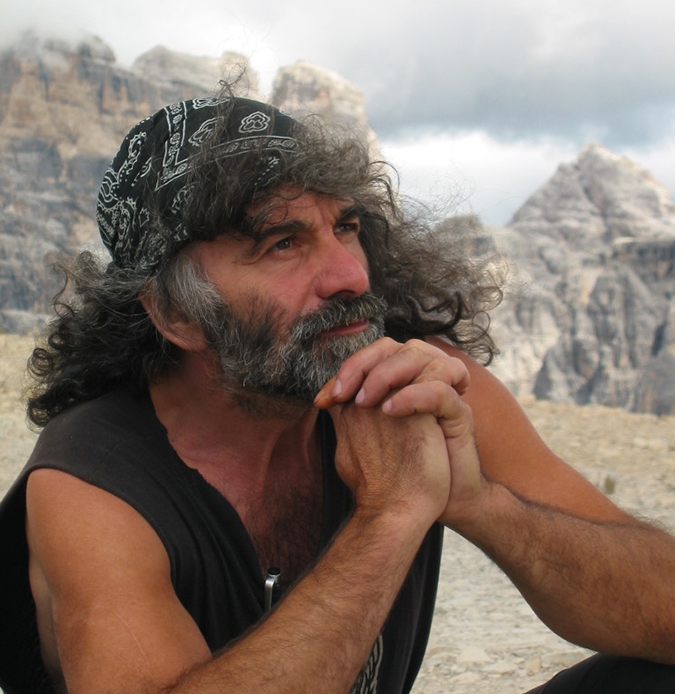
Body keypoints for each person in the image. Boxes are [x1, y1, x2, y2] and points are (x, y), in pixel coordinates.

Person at [0, 93, 674, 694]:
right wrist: (386, 519)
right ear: (175, 314)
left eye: (345, 227)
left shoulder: (416, 385)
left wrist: (481, 503)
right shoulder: (92, 483)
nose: (350, 274)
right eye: (281, 244)